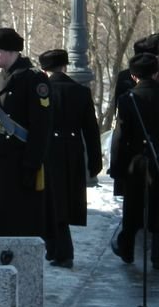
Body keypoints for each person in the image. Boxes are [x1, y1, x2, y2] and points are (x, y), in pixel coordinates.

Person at [0, 27, 51, 237]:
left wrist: (31, 165)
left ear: (12, 52)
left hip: (21, 163)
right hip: (0, 163)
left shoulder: (34, 79)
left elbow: (41, 127)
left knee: (21, 225)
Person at [38, 49, 103, 269]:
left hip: (48, 151)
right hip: (73, 149)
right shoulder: (80, 91)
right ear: (65, 66)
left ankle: (60, 250)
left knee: (51, 201)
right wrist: (95, 160)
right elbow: (91, 129)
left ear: (43, 69)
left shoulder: (43, 91)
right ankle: (56, 248)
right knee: (65, 199)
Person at [109, 53, 159, 266]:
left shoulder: (128, 99)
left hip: (136, 161)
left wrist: (117, 166)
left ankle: (127, 248)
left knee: (132, 208)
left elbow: (120, 136)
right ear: (156, 73)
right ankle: (157, 256)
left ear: (133, 75)